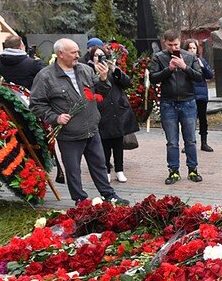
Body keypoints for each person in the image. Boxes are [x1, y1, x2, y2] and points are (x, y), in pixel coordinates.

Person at [29, 38, 127, 205]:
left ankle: (108, 195)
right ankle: (80, 200)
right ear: (60, 54)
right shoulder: (45, 76)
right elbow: (36, 104)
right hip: (69, 133)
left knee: (100, 165)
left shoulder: (85, 70)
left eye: (77, 52)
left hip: (92, 128)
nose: (77, 55)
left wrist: (104, 79)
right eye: (73, 52)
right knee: (73, 170)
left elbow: (100, 93)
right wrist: (55, 117)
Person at [149, 29, 205, 185]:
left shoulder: (189, 56)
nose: (174, 47)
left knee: (191, 140)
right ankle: (173, 171)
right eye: (170, 44)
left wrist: (184, 66)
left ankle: (193, 169)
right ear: (164, 43)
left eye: (176, 44)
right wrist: (169, 69)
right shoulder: (158, 57)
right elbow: (153, 78)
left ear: (180, 42)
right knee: (172, 141)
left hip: (188, 102)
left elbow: (200, 77)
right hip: (168, 103)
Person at [81, 46, 138, 183]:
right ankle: (106, 170)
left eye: (102, 55)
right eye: (96, 56)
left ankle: (119, 170)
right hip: (101, 111)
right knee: (104, 144)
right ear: (91, 58)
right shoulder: (89, 72)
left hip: (117, 111)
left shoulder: (112, 70)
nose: (99, 59)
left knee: (118, 144)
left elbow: (127, 83)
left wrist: (116, 70)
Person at [184, 39, 215, 152]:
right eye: (190, 48)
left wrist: (202, 66)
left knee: (203, 119)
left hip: (201, 95)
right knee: (188, 120)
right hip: (188, 94)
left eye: (194, 48)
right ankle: (188, 143)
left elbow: (210, 75)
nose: (192, 50)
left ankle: (204, 142)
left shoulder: (201, 60)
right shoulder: (183, 61)